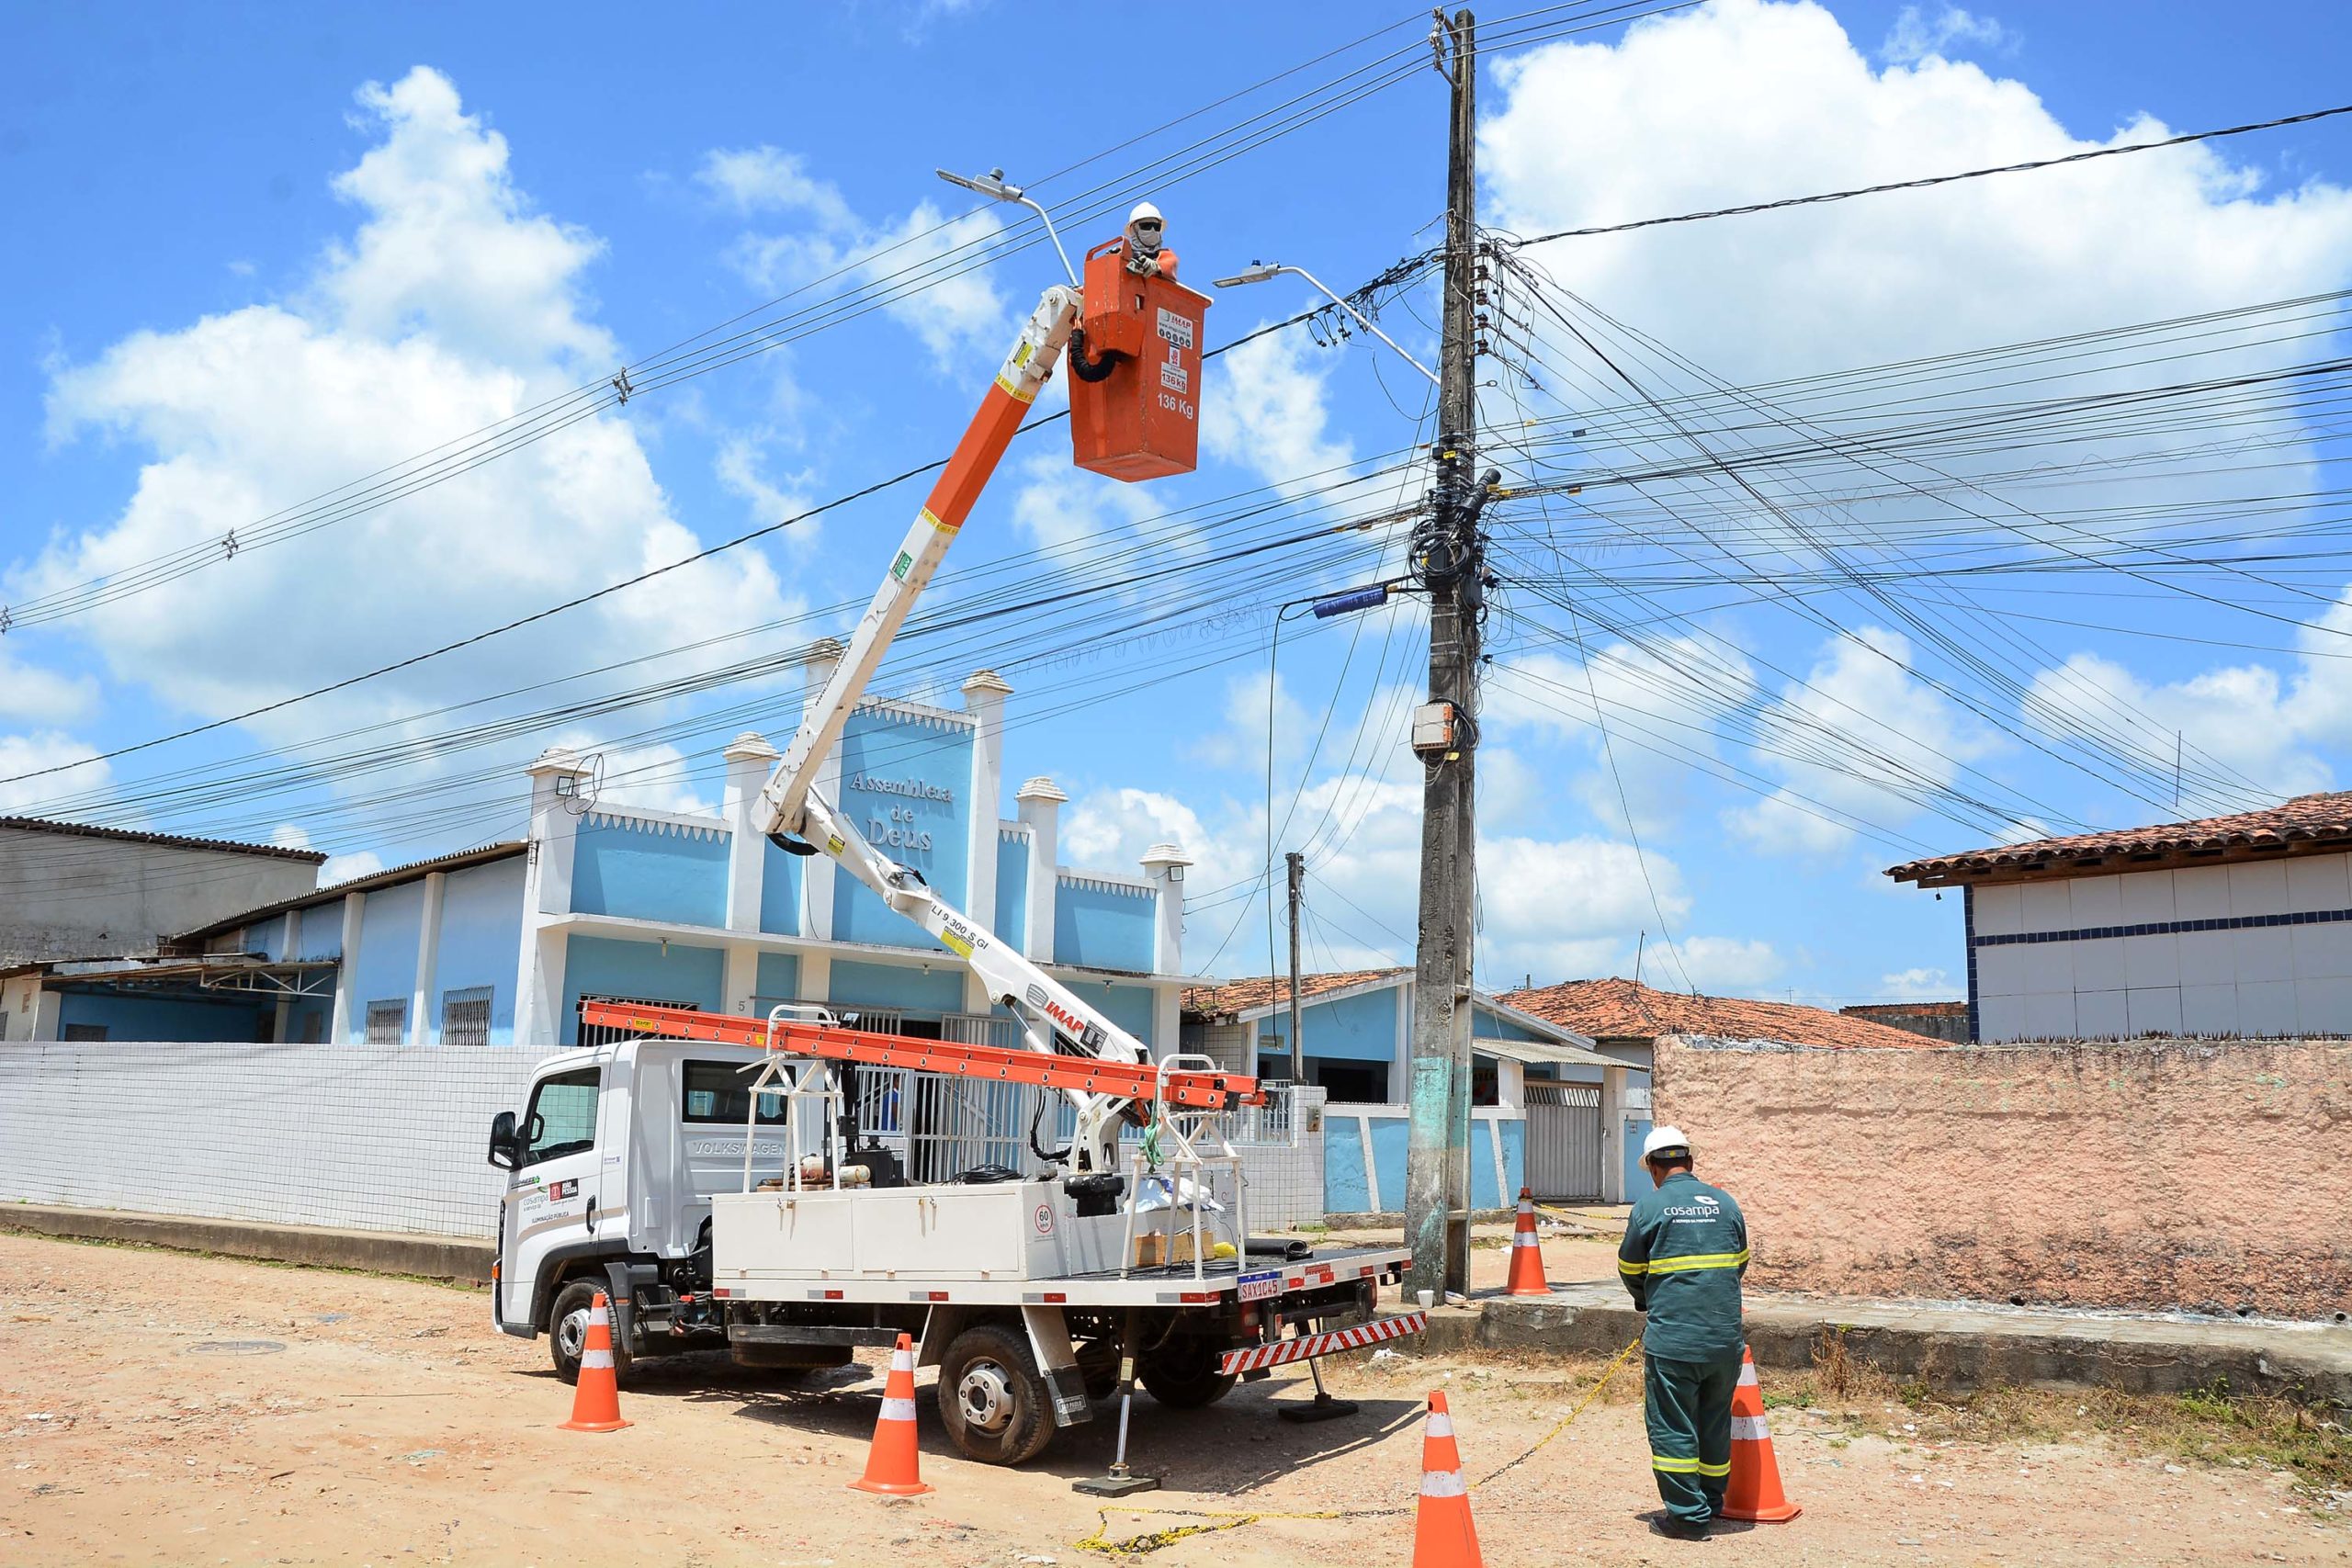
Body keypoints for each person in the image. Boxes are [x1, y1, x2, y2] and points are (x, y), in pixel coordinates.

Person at [1617, 1124, 1749, 1540]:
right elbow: (1739, 1264)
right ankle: (1710, 1504)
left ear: (1653, 1169)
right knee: (1713, 1424)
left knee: (1673, 1426)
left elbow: (1630, 1268)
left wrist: (1647, 1300)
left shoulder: (1649, 1208)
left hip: (1674, 1341)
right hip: (1724, 1340)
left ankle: (1688, 1518)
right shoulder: (1725, 1204)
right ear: (1689, 1162)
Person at [1121, 201, 1178, 280]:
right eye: (1146, 226)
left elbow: (1169, 266)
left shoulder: (1166, 255)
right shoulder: (1124, 251)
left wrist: (1157, 266)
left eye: (1157, 227)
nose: (1152, 230)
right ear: (1133, 229)